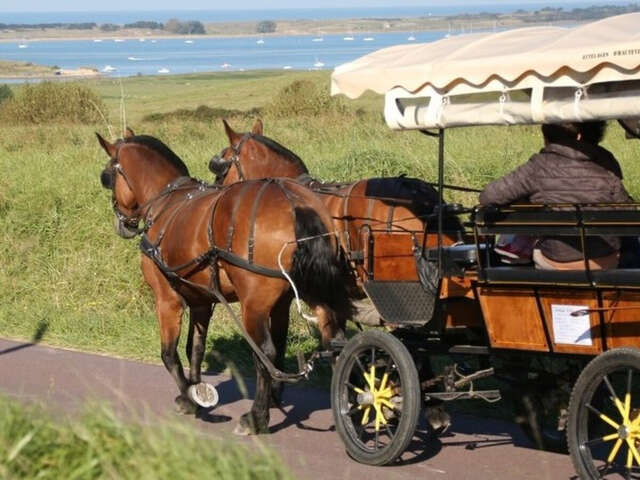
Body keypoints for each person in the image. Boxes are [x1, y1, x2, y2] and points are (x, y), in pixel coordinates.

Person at [479, 121, 632, 270]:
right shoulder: (606, 160)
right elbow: (627, 210)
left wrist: (526, 202)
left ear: (548, 137)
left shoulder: (538, 166)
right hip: (606, 261)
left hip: (556, 262)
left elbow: (488, 197)